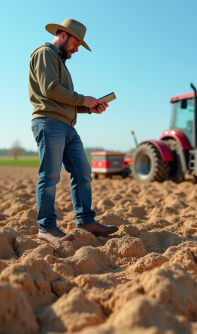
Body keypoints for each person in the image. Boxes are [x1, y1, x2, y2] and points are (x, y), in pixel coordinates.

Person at [28, 18, 119, 242]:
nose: (77, 49)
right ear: (63, 35)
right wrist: (83, 99)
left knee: (83, 172)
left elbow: (63, 99)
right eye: (76, 43)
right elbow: (50, 90)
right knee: (49, 176)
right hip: (49, 123)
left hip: (67, 126)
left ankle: (86, 221)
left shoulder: (59, 61)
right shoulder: (44, 54)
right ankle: (46, 228)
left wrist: (89, 108)